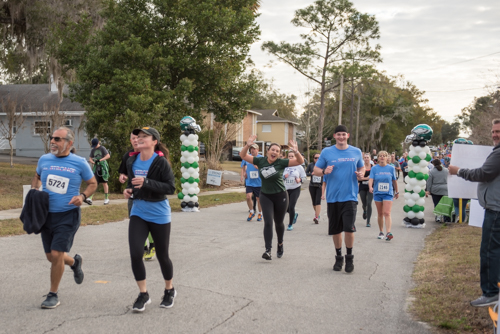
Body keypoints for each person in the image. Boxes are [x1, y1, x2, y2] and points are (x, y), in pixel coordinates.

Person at [30, 127, 97, 308]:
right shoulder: (44, 159)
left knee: (57, 253)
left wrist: (83, 196)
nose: (53, 141)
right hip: (46, 215)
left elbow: (92, 183)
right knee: (51, 257)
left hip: (68, 215)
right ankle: (75, 262)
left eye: (58, 139)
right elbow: (36, 176)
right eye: (52, 138)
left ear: (69, 143)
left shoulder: (80, 162)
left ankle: (53, 294)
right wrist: (34, 191)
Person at [124, 127, 176, 312]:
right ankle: (143, 293)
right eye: (138, 136)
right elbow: (134, 184)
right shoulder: (132, 160)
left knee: (163, 256)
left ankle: (169, 289)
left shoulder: (160, 162)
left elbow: (170, 188)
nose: (139, 139)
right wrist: (130, 190)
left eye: (144, 137)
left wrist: (146, 183)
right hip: (139, 211)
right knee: (136, 253)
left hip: (159, 214)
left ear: (154, 141)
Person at [449, 119, 500, 307]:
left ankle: (491, 292)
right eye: (493, 131)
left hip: (496, 210)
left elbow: (483, 174)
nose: (495, 134)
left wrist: (458, 171)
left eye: (498, 131)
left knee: (489, 251)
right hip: (495, 207)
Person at [240, 135, 304, 260]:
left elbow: (300, 162)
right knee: (268, 222)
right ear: (268, 151)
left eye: (277, 151)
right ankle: (268, 250)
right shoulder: (260, 161)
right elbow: (243, 156)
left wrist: (296, 152)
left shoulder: (281, 162)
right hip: (265, 195)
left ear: (279, 154)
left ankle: (280, 244)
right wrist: (247, 145)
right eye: (272, 150)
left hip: (280, 196)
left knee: (279, 223)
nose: (274, 152)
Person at [314, 125, 364, 273]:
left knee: (349, 229)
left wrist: (361, 174)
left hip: (350, 196)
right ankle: (338, 257)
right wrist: (324, 171)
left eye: (344, 134)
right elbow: (315, 170)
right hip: (333, 198)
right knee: (336, 230)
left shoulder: (356, 151)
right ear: (334, 136)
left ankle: (349, 258)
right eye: (338, 135)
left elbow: (361, 167)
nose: (341, 137)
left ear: (347, 135)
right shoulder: (327, 152)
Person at [119, 132, 156, 261]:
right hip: (133, 195)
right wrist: (122, 176)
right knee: (136, 221)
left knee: (149, 222)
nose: (136, 140)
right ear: (130, 141)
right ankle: (143, 246)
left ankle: (152, 244)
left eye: (138, 138)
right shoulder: (128, 156)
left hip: (149, 195)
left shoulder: (152, 156)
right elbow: (123, 172)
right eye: (133, 138)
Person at [369, 151, 398, 241]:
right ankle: (381, 231)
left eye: (384, 156)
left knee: (387, 213)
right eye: (380, 156)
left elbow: (394, 180)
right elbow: (371, 179)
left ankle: (388, 232)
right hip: (377, 193)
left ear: (387, 158)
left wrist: (397, 191)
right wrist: (370, 187)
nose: (382, 157)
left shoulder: (391, 168)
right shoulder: (374, 168)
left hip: (388, 193)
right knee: (380, 213)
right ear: (378, 158)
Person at [283, 151, 307, 231]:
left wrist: (299, 179)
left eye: (292, 156)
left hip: (295, 188)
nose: (290, 158)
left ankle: (290, 224)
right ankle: (294, 215)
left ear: (295, 157)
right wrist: (284, 177)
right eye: (289, 156)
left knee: (291, 206)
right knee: (285, 207)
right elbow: (279, 176)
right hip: (285, 189)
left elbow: (304, 177)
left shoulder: (299, 166)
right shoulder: (284, 166)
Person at [240, 143, 263, 221]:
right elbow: (243, 166)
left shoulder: (261, 158)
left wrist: (258, 167)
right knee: (248, 197)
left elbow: (264, 168)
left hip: (258, 182)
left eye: (254, 149)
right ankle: (252, 211)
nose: (252, 150)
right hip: (249, 181)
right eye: (251, 149)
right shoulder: (247, 157)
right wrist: (244, 173)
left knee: (258, 199)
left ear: (258, 150)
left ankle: (260, 213)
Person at [88, 138, 111, 204]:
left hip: (103, 167)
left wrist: (101, 160)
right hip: (96, 167)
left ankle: (106, 198)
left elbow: (108, 156)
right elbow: (90, 159)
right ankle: (90, 198)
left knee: (104, 182)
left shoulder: (102, 148)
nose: (95, 146)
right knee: (94, 182)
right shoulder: (93, 150)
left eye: (95, 145)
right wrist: (93, 162)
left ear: (98, 143)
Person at [305, 153, 323, 224]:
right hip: (312, 185)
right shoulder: (310, 165)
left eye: (319, 158)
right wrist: (311, 174)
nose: (317, 159)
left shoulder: (323, 165)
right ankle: (317, 214)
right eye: (316, 158)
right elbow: (305, 173)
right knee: (314, 202)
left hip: (319, 186)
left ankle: (317, 217)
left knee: (318, 201)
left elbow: (326, 174)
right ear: (313, 158)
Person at [358, 153, 373, 227]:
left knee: (369, 203)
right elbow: (358, 178)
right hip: (362, 187)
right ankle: (365, 210)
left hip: (371, 187)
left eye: (368, 157)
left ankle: (368, 221)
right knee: (364, 203)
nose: (366, 159)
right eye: (365, 157)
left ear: (370, 159)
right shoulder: (361, 167)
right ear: (363, 159)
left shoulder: (373, 167)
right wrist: (366, 178)